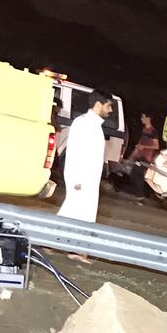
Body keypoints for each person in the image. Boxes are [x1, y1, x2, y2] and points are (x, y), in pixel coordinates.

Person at [57, 89, 113, 228]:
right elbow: (76, 153)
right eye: (108, 106)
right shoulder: (83, 123)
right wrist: (77, 180)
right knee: (71, 217)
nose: (110, 110)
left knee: (80, 219)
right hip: (81, 181)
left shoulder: (94, 124)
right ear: (98, 105)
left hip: (89, 182)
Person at [127, 113, 160, 201]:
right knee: (135, 174)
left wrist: (144, 147)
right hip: (140, 156)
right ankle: (139, 195)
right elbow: (140, 143)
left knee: (137, 174)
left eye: (143, 117)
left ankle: (140, 196)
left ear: (148, 118)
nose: (141, 119)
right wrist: (133, 155)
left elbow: (156, 146)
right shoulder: (144, 130)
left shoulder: (153, 131)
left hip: (146, 158)